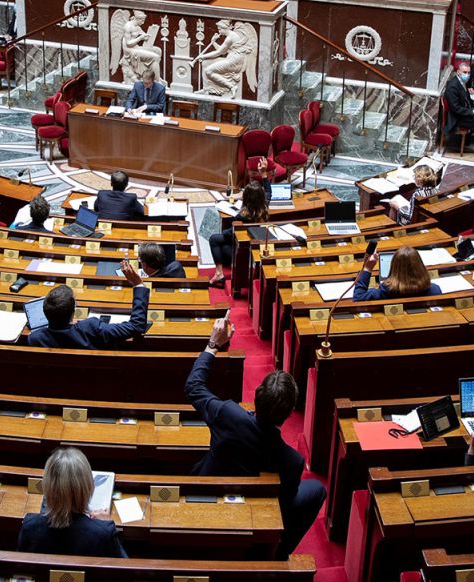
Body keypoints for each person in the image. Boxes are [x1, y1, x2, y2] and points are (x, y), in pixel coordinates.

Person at [186, 318, 325, 559]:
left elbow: (193, 386)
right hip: (255, 509)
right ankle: (278, 554)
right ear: (289, 414)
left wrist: (212, 345)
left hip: (209, 490)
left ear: (257, 396)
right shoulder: (292, 461)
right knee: (316, 490)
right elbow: (284, 504)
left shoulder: (227, 414)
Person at [16, 447, 126, 558]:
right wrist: (108, 526)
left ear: (47, 486)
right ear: (87, 487)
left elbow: (20, 566)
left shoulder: (30, 526)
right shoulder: (104, 533)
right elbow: (125, 568)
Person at [26, 260, 150, 348]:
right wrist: (138, 285)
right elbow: (136, 326)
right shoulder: (90, 328)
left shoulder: (35, 338)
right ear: (72, 312)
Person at [208, 166, 272, 286]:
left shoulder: (242, 216)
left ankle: (219, 273)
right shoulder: (264, 206)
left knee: (214, 240)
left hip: (244, 248)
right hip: (257, 244)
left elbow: (229, 234)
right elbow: (268, 191)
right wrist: (263, 173)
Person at [353, 246, 442, 302]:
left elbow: (358, 297)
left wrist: (367, 269)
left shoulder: (386, 292)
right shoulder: (435, 290)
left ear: (393, 268)